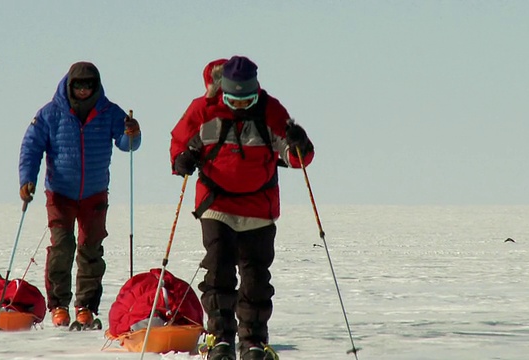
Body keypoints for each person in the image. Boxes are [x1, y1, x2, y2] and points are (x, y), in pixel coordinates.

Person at [169, 56, 314, 360]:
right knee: (219, 269)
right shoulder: (203, 109)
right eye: (233, 100)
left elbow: (295, 157)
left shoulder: (271, 110)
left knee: (255, 278)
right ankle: (220, 339)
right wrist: (182, 160)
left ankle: (253, 342)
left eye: (247, 99)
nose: (239, 105)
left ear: (256, 91)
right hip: (216, 204)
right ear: (222, 91)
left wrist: (301, 143)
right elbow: (180, 143)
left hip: (259, 209)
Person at [18, 61, 141, 328]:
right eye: (79, 85)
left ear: (96, 86)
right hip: (60, 193)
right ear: (70, 85)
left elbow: (126, 143)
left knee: (91, 249)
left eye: (89, 85)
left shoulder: (110, 112)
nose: (84, 90)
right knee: (62, 247)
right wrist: (27, 180)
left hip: (95, 194)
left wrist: (133, 133)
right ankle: (59, 305)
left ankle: (86, 306)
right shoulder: (50, 114)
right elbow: (31, 147)